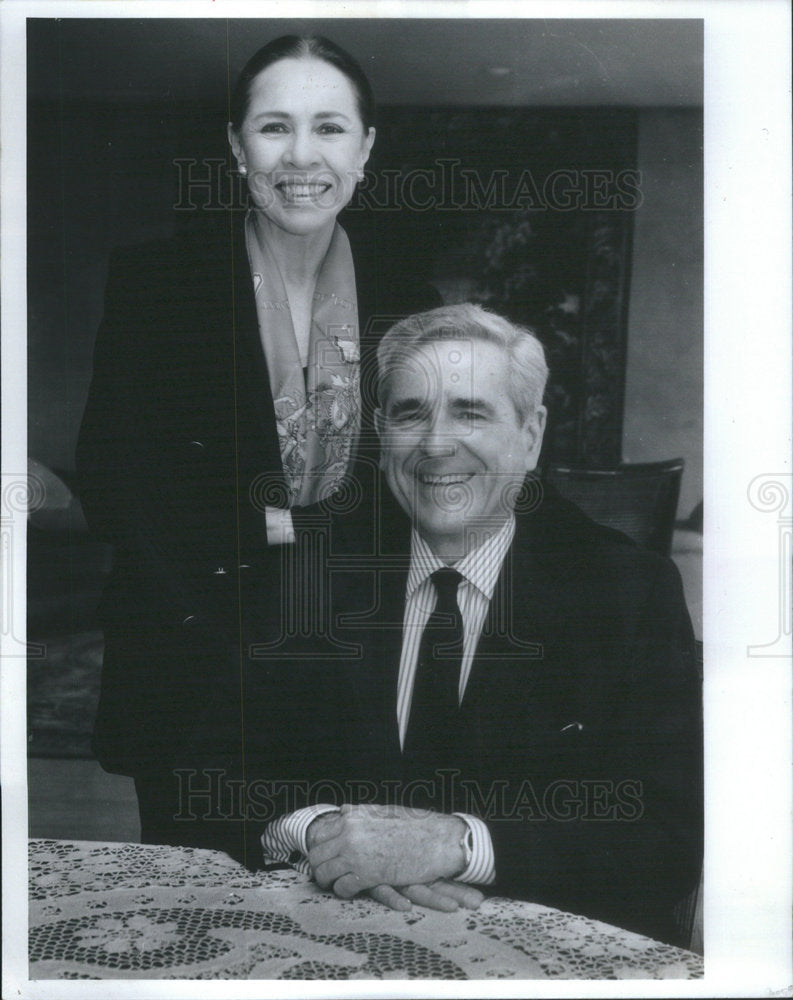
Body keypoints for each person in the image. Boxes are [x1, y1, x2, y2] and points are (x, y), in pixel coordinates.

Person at [75, 35, 437, 865]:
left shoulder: (407, 295)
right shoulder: (155, 283)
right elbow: (112, 476)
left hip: (354, 655)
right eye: (274, 127)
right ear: (237, 147)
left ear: (366, 147)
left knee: (347, 904)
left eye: (330, 128)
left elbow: (419, 474)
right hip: (192, 654)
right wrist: (241, 578)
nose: (302, 156)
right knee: (198, 901)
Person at [261, 302, 703, 945]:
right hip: (328, 946)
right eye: (412, 413)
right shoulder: (312, 573)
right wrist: (328, 833)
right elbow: (227, 763)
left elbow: (670, 834)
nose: (437, 444)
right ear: (381, 432)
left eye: (470, 411)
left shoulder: (625, 594)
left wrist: (460, 845)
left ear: (530, 435)